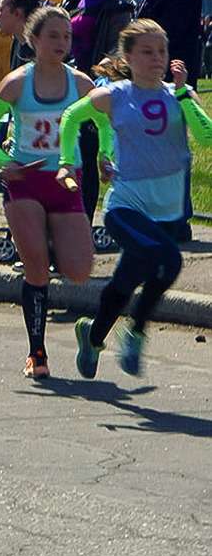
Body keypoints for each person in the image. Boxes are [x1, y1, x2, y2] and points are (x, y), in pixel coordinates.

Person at [64, 20, 210, 377]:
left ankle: (93, 335)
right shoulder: (114, 95)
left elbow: (207, 138)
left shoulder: (179, 94)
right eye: (147, 51)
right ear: (127, 56)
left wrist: (180, 94)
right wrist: (74, 162)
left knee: (124, 284)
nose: (157, 58)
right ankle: (137, 334)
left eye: (162, 51)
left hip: (166, 210)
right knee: (170, 261)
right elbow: (70, 118)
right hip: (126, 206)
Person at [0, 6, 96, 379]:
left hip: (64, 183)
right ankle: (37, 353)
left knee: (78, 270)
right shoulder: (16, 83)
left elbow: (107, 125)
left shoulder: (81, 84)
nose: (62, 43)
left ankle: (54, 237)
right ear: (35, 40)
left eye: (67, 37)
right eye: (54, 36)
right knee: (36, 270)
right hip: (25, 182)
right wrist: (2, 162)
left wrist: (106, 156)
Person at [60, 0, 137, 218]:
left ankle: (84, 221)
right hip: (66, 82)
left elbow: (123, 45)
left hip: (95, 84)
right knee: (65, 152)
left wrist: (108, 63)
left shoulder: (119, 5)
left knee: (88, 154)